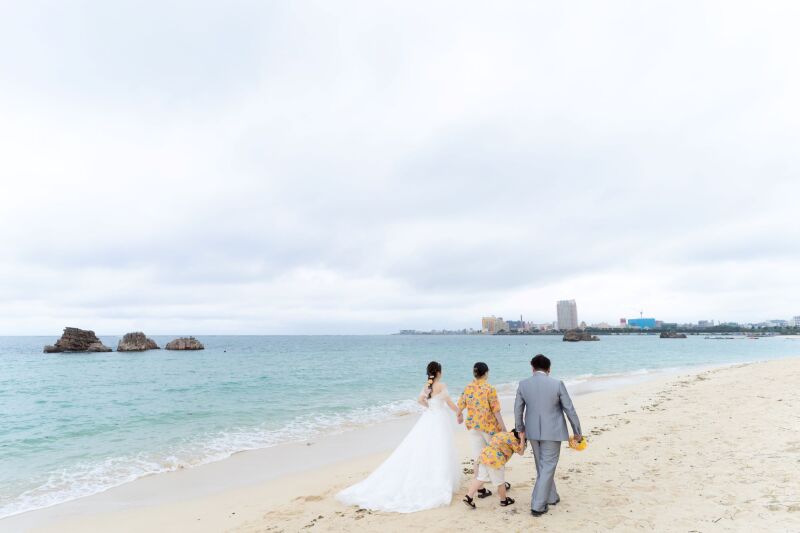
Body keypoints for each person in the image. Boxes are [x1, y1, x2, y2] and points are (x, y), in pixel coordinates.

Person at [337, 361, 461, 513]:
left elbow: (420, 400)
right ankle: (439, 481)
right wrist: (459, 412)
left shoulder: (426, 386)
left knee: (424, 447)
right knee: (440, 449)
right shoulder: (442, 385)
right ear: (439, 372)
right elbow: (449, 403)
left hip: (429, 418)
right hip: (439, 419)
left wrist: (430, 408)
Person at [514, 354, 582, 517]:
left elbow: (518, 409)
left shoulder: (523, 384)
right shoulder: (557, 384)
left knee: (542, 466)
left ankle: (551, 496)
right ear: (549, 369)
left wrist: (519, 429)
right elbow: (569, 409)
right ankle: (538, 504)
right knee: (548, 466)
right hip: (553, 431)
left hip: (532, 431)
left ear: (532, 368)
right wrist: (577, 431)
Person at [457, 362, 507, 497]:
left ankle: (480, 488)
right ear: (486, 373)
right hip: (489, 427)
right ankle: (500, 484)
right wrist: (503, 427)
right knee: (495, 456)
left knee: (478, 458)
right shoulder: (489, 388)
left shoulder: (468, 387)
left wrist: (459, 415)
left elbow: (460, 405)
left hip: (473, 427)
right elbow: (496, 410)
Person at [462, 429, 526, 509]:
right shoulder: (513, 440)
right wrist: (523, 438)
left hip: (484, 456)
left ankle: (468, 497)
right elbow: (521, 452)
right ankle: (504, 500)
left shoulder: (502, 434)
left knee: (480, 478)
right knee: (500, 482)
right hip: (496, 460)